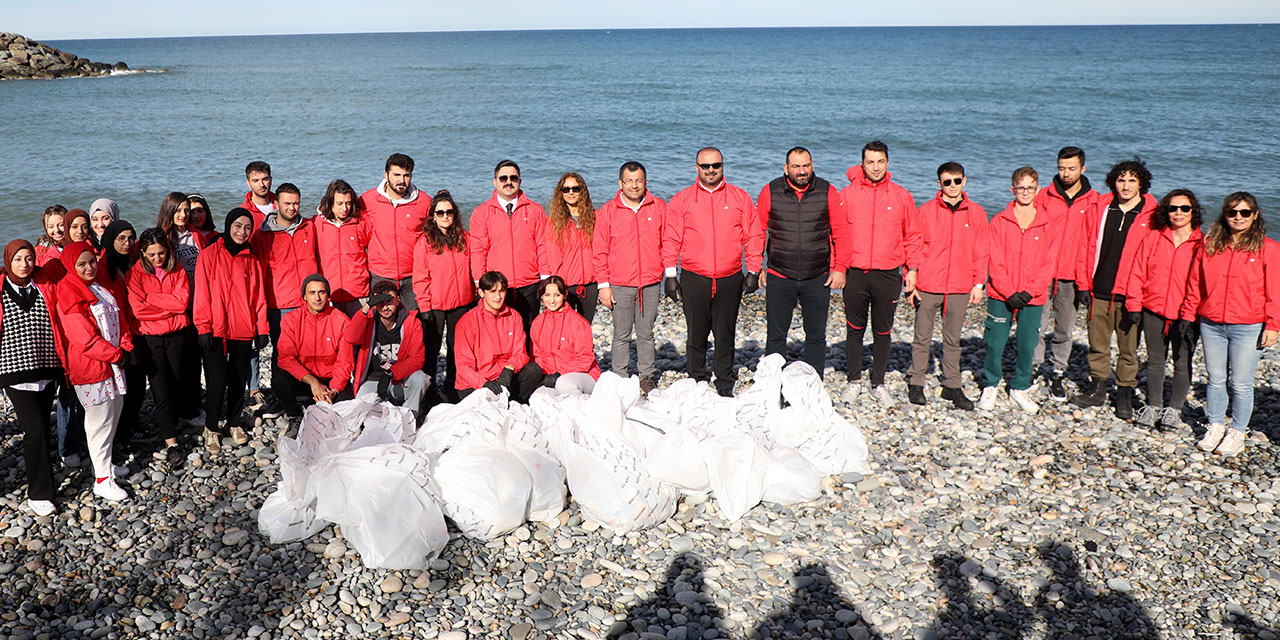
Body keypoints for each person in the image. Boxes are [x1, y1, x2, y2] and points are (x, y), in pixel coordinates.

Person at [1182, 192, 1280, 457]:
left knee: (1240, 383)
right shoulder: (1210, 244)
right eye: (1232, 212)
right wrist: (1188, 314)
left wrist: (1273, 325)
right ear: (1224, 215)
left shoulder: (1268, 248)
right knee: (1214, 379)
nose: (1238, 217)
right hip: (1211, 323)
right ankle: (1215, 426)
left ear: (1255, 215)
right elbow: (1195, 283)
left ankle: (1237, 432)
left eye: (1245, 212)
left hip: (1248, 326)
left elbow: (1275, 291)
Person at [663, 147, 763, 397]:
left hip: (729, 277)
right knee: (696, 333)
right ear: (696, 168)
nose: (711, 171)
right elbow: (671, 239)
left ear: (723, 166)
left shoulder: (739, 198)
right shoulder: (681, 200)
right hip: (694, 277)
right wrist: (670, 275)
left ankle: (724, 382)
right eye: (705, 166)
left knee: (725, 333)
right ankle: (696, 380)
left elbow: (753, 235)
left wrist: (753, 269)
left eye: (715, 165)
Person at [1070, 157, 1158, 419]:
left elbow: (1152, 261)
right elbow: (1085, 246)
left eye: (1132, 180)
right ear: (1113, 183)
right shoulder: (1101, 208)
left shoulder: (1151, 216)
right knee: (1097, 343)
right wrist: (1083, 284)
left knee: (1128, 348)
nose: (1126, 185)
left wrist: (1140, 298)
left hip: (1130, 295)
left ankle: (1124, 393)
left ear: (1141, 184)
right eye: (1121, 180)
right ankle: (1097, 387)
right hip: (1099, 289)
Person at [754, 146, 851, 377]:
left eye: (806, 165)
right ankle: (773, 385)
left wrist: (840, 269)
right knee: (776, 336)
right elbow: (757, 231)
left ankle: (812, 384)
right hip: (779, 275)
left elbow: (841, 233)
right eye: (796, 166)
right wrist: (756, 267)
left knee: (816, 336)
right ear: (786, 168)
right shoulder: (770, 190)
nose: (801, 171)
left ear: (812, 166)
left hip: (817, 277)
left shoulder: (827, 191)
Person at [840, 140, 922, 405]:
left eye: (880, 161)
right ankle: (854, 381)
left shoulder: (901, 195)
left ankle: (878, 383)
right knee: (854, 328)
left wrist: (913, 270)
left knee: (883, 330)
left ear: (888, 163)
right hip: (855, 272)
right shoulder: (848, 194)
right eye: (870, 162)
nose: (875, 167)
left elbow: (912, 235)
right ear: (862, 164)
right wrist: (837, 267)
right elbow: (837, 236)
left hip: (888, 273)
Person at [979, 167, 1061, 414]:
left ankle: (1020, 386)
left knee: (1028, 343)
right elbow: (994, 258)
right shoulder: (1000, 221)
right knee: (994, 341)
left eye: (1030, 188)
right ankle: (991, 384)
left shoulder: (1047, 223)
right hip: (1000, 294)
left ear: (1037, 190)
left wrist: (1030, 291)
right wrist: (1007, 290)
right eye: (1021, 188)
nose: (1025, 192)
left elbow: (1049, 262)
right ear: (1012, 189)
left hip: (1032, 296)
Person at [907, 162, 988, 410]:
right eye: (946, 182)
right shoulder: (925, 211)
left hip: (960, 286)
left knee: (952, 340)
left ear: (964, 181)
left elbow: (981, 251)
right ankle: (916, 382)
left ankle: (952, 385)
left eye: (956, 181)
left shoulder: (976, 213)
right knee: (922, 337)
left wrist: (978, 283)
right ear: (939, 184)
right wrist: (912, 281)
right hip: (929, 284)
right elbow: (913, 245)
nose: (952, 186)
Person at [55, 241, 132, 502]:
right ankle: (101, 480)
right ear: (71, 266)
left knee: (114, 413)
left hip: (114, 364)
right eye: (82, 264)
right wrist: (117, 354)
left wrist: (126, 344)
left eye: (92, 262)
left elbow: (120, 318)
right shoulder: (67, 292)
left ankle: (106, 464)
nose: (89, 268)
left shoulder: (98, 286)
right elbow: (83, 339)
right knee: (99, 422)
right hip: (92, 369)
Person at [1124, 190, 1204, 431]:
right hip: (1153, 309)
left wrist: (1190, 315)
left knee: (1182, 361)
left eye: (1184, 208)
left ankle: (1174, 409)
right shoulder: (1153, 238)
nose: (1178, 213)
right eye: (1173, 208)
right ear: (1165, 211)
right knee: (1155, 361)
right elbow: (1137, 272)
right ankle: (1154, 405)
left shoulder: (1203, 243)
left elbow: (1203, 284)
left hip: (1186, 314)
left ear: (1193, 212)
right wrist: (1134, 304)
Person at [0, 240, 68, 515]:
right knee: (35, 429)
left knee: (41, 427)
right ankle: (39, 493)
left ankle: (44, 473)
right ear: (8, 260)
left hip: (47, 366)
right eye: (18, 259)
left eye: (29, 258)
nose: (24, 264)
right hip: (13, 371)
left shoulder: (44, 285)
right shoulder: (1, 288)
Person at [194, 209, 269, 455]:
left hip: (243, 328)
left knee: (239, 379)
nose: (242, 232)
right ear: (228, 226)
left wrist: (262, 328)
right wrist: (203, 326)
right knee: (216, 380)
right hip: (215, 328)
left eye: (248, 228)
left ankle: (234, 422)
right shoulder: (208, 255)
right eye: (238, 226)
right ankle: (212, 427)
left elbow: (258, 297)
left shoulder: (252, 259)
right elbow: (202, 293)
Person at [1031, 146, 1100, 399]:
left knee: (1064, 329)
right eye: (1061, 168)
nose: (1066, 173)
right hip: (1043, 273)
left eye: (1071, 168)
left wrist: (1086, 282)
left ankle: (1058, 371)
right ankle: (1034, 367)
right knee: (1036, 325)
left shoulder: (1094, 200)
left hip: (1072, 276)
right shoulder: (1044, 196)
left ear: (1083, 168)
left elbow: (1092, 243)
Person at [593, 161, 668, 393]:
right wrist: (603, 285)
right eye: (629, 181)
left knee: (646, 333)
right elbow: (600, 250)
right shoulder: (608, 211)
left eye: (638, 181)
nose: (634, 186)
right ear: (620, 183)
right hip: (620, 283)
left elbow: (667, 244)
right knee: (621, 334)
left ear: (645, 182)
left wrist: (668, 273)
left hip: (650, 283)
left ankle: (647, 376)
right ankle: (620, 377)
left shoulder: (658, 207)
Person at [127, 228, 195, 469]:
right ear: (143, 253)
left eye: (162, 253)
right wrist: (169, 306)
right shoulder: (134, 275)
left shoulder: (176, 269)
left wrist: (151, 300)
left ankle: (174, 421)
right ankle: (172, 444)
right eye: (153, 254)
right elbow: (137, 310)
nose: (158, 259)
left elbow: (182, 303)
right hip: (150, 338)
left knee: (178, 381)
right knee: (161, 388)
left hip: (176, 334)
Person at [251, 183, 318, 418]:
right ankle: (283, 398)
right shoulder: (262, 235)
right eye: (287, 203)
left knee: (309, 350)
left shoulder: (310, 227)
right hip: (279, 305)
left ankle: (304, 394)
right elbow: (256, 274)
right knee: (283, 354)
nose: (292, 208)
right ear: (276, 204)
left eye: (296, 203)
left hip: (309, 302)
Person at [469, 159, 551, 328]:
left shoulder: (535, 210)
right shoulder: (482, 213)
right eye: (503, 178)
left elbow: (543, 245)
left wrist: (545, 278)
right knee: (496, 331)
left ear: (520, 181)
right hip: (496, 287)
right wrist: (479, 282)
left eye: (513, 178)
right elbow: (478, 250)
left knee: (528, 331)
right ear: (495, 181)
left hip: (530, 283)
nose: (508, 182)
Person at [412, 190, 474, 402]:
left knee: (458, 348)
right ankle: (428, 392)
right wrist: (424, 307)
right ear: (433, 216)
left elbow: (474, 269)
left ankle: (453, 387)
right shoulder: (425, 242)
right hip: (435, 305)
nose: (445, 216)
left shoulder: (465, 239)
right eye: (440, 212)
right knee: (431, 350)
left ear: (455, 214)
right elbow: (420, 278)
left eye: (449, 212)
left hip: (462, 302)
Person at [97, 220, 150, 461]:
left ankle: (132, 425)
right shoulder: (102, 267)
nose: (127, 243)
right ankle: (120, 436)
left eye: (131, 238)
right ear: (110, 239)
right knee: (123, 386)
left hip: (139, 328)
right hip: (119, 333)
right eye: (121, 238)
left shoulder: (136, 260)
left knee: (138, 382)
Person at [343, 280, 429, 418]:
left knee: (420, 378)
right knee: (361, 415)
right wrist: (366, 308)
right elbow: (351, 338)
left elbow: (417, 359)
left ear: (398, 299)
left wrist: (391, 374)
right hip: (372, 381)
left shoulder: (411, 322)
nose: (385, 307)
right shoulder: (369, 320)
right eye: (380, 302)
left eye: (389, 301)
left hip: (398, 381)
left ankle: (409, 419)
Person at [454, 271, 544, 403]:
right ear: (481, 293)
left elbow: (521, 353)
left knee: (533, 370)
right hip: (476, 383)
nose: (498, 297)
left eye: (501, 291)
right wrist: (483, 383)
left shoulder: (514, 317)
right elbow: (463, 366)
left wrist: (510, 367)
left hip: (504, 377)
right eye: (492, 291)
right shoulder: (467, 321)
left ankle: (513, 403)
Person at [274, 274, 354, 418]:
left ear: (328, 295)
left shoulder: (341, 321)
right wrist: (312, 381)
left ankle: (320, 404)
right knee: (279, 379)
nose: (317, 298)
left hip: (330, 379)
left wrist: (334, 390)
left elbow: (345, 362)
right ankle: (295, 415)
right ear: (304, 296)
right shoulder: (291, 320)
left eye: (321, 292)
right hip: (304, 377)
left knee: (346, 405)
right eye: (312, 293)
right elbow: (286, 358)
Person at [360, 153, 431, 311]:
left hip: (413, 276)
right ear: (386, 175)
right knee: (381, 326)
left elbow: (434, 235)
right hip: (380, 274)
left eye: (406, 175)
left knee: (414, 324)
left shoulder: (424, 201)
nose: (401, 180)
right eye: (396, 175)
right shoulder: (368, 200)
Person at [530, 275, 600, 391]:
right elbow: (536, 355)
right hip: (551, 376)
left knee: (564, 384)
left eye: (557, 295)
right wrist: (545, 374)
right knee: (538, 397)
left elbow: (585, 358)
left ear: (565, 295)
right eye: (547, 295)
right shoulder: (538, 323)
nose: (552, 300)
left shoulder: (578, 323)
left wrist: (559, 374)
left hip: (582, 374)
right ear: (542, 296)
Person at [545, 172, 599, 323]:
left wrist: (602, 281)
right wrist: (560, 286)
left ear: (582, 191)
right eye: (566, 189)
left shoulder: (596, 217)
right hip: (566, 286)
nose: (571, 192)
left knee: (585, 327)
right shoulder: (554, 222)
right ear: (560, 193)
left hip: (590, 285)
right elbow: (553, 256)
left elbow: (601, 251)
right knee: (564, 327)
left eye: (575, 188)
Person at [314, 179, 371, 317]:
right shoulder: (316, 223)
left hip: (358, 293)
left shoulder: (362, 222)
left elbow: (374, 252)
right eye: (339, 204)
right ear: (330, 203)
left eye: (348, 203)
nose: (345, 208)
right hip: (330, 294)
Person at [156, 191, 207, 285]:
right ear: (169, 211)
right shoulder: (162, 238)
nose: (183, 215)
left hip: (198, 288)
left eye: (186, 210)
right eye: (178, 211)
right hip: (177, 290)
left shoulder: (198, 235)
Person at [241, 160, 276, 234]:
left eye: (265, 179)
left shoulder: (283, 206)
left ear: (271, 180)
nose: (261, 185)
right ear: (248, 183)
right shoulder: (243, 212)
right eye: (255, 181)